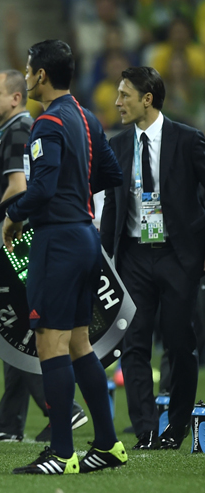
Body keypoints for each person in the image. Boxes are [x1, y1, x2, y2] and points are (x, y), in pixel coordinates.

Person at [2, 40, 125, 474]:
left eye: (30, 68)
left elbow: (41, 189)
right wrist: (76, 199)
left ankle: (61, 452)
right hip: (84, 236)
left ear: (40, 75)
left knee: (49, 342)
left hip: (57, 241)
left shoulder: (48, 123)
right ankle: (108, 444)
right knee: (78, 342)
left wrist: (14, 216)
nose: (27, 74)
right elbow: (110, 174)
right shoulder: (87, 117)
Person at [0, 69, 88, 443]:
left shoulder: (20, 131)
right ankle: (8, 421)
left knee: (18, 327)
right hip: (14, 242)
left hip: (13, 243)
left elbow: (19, 187)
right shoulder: (16, 130)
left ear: (16, 98)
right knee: (13, 329)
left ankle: (63, 410)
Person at [102, 66, 205, 450]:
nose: (117, 102)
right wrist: (104, 257)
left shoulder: (188, 140)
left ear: (147, 98)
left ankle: (175, 427)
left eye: (124, 95)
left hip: (178, 256)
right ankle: (146, 429)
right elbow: (113, 203)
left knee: (179, 343)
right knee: (134, 343)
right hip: (133, 256)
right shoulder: (117, 145)